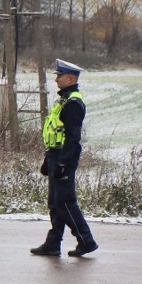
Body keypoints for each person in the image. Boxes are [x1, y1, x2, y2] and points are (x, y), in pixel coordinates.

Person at [31, 59, 99, 258]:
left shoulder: (73, 103)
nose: (56, 80)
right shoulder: (64, 101)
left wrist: (63, 162)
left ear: (70, 79)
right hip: (55, 154)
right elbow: (56, 132)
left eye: (59, 76)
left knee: (66, 203)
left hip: (64, 157)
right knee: (55, 202)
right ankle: (53, 243)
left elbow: (73, 138)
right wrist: (48, 159)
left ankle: (86, 240)